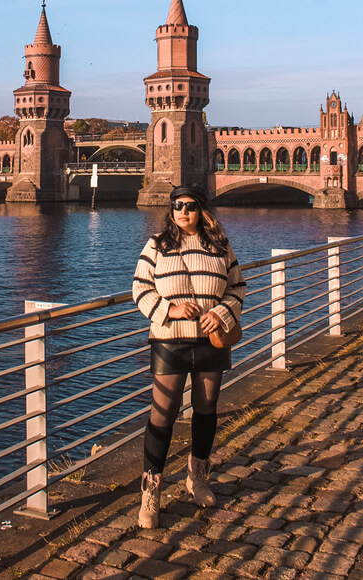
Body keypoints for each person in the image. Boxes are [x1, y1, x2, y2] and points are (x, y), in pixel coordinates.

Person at [132, 183, 246, 528]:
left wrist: (223, 314)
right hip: (170, 339)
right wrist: (170, 309)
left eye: (190, 206)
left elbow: (238, 287)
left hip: (210, 340)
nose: (183, 212)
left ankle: (197, 477)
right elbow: (140, 287)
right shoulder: (157, 245)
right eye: (177, 206)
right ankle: (151, 490)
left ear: (202, 210)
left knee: (206, 407)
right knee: (163, 411)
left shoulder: (220, 245)